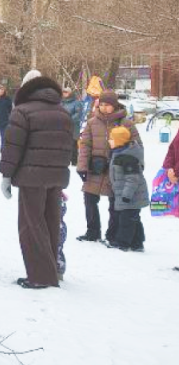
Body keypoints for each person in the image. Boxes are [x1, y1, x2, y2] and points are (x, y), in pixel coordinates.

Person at [0, 71, 73, 289]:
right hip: (57, 177)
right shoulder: (63, 112)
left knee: (31, 225)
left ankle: (40, 276)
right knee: (50, 223)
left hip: (31, 177)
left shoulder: (22, 111)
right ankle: (49, 272)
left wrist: (6, 175)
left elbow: (12, 148)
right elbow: (68, 147)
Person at [76, 90, 141, 243]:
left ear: (115, 105)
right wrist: (82, 167)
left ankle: (113, 234)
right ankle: (92, 231)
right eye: (102, 104)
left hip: (117, 170)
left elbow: (138, 146)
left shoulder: (126, 123)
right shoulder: (92, 122)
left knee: (115, 203)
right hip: (95, 168)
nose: (104, 108)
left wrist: (133, 167)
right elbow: (85, 145)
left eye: (108, 105)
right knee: (89, 200)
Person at [106, 126, 148, 251]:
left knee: (126, 221)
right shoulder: (119, 153)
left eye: (112, 139)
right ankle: (137, 243)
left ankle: (123, 243)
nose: (109, 141)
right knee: (134, 219)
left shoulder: (127, 157)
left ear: (119, 141)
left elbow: (132, 179)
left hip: (131, 196)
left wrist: (126, 195)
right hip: (126, 194)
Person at [61, 86, 86, 165]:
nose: (64, 94)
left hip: (73, 127)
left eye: (66, 92)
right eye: (63, 92)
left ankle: (74, 161)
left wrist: (68, 119)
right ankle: (65, 159)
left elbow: (78, 114)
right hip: (62, 126)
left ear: (70, 93)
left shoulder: (76, 102)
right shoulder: (61, 102)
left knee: (73, 144)